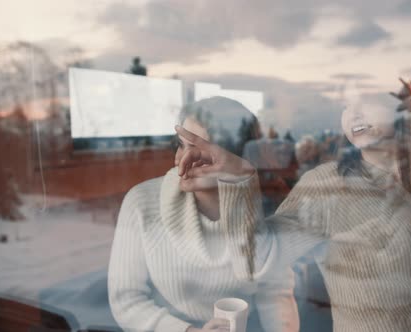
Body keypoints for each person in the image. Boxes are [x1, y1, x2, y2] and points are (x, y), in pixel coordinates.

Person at [175, 83, 411, 331]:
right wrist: (238, 176)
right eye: (346, 105)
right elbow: (254, 261)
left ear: (402, 109)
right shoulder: (328, 186)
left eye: (366, 101)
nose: (354, 113)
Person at [108, 97, 299, 332]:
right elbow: (126, 300)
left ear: (235, 159)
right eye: (181, 145)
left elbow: (276, 296)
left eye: (202, 152)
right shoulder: (141, 203)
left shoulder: (264, 208)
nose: (182, 160)